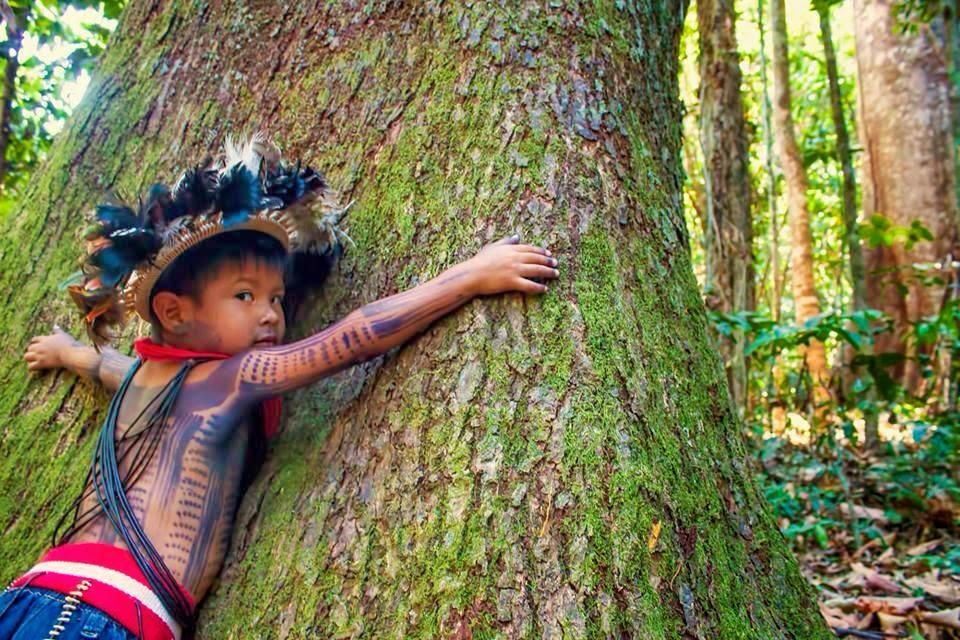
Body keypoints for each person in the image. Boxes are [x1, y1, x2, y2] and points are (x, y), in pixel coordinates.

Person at [4, 134, 559, 640]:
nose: (271, 315)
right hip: (102, 617)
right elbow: (354, 337)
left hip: (32, 599)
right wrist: (470, 275)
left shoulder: (144, 382)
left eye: (276, 299)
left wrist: (68, 353)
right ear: (173, 312)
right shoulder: (230, 376)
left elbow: (106, 367)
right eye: (245, 296)